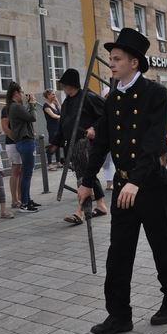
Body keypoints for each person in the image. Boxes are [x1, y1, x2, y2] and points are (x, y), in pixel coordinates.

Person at [78, 27, 167, 334]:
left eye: (116, 59)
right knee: (119, 252)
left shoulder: (156, 94)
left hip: (149, 186)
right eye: (111, 59)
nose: (111, 64)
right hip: (124, 186)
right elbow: (102, 142)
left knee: (161, 245)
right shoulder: (113, 98)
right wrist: (87, 180)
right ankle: (119, 315)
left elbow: (154, 143)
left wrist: (136, 181)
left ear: (134, 62)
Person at [50, 68, 109, 225]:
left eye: (64, 84)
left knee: (83, 177)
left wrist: (94, 128)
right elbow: (63, 125)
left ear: (71, 84)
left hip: (87, 144)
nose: (63, 87)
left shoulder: (88, 97)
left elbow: (106, 114)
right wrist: (55, 143)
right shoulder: (67, 102)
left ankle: (80, 212)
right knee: (88, 175)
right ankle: (101, 205)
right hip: (73, 146)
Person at [6, 82, 40, 212]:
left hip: (24, 142)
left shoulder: (14, 107)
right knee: (27, 173)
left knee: (27, 173)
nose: (23, 95)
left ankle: (27, 199)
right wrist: (32, 104)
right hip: (25, 142)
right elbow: (33, 117)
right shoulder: (15, 107)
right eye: (21, 92)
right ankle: (24, 203)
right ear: (16, 93)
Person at [1, 100, 22, 209]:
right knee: (15, 170)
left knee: (21, 171)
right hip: (13, 143)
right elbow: (5, 127)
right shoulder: (7, 109)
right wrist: (15, 138)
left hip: (22, 141)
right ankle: (15, 199)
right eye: (20, 92)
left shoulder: (21, 107)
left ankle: (21, 197)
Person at [42, 89, 62, 170]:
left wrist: (57, 102)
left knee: (58, 143)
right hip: (52, 127)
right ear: (48, 96)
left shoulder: (54, 104)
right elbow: (53, 115)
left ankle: (58, 162)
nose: (54, 95)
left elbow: (61, 111)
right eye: (53, 94)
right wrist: (62, 117)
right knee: (52, 144)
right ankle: (50, 164)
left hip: (58, 126)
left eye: (54, 94)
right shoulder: (46, 106)